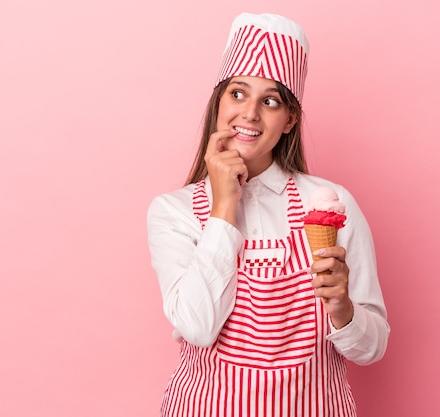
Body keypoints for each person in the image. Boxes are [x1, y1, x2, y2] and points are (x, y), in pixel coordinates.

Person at [147, 12, 390, 417]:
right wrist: (224, 207)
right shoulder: (173, 211)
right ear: (219, 103)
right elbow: (198, 327)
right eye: (238, 94)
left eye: (271, 101)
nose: (250, 114)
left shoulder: (331, 204)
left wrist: (343, 308)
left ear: (290, 119)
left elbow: (373, 347)